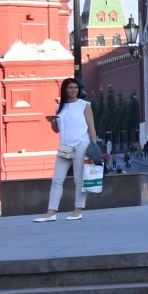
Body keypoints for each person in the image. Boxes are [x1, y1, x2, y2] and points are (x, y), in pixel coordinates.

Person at [34, 77, 100, 222]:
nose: (74, 90)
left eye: (76, 87)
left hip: (81, 144)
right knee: (57, 179)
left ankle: (78, 210)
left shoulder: (84, 105)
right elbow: (56, 129)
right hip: (64, 146)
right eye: (70, 87)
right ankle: (51, 212)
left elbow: (91, 126)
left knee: (79, 179)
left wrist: (94, 144)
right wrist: (52, 122)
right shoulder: (59, 107)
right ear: (65, 89)